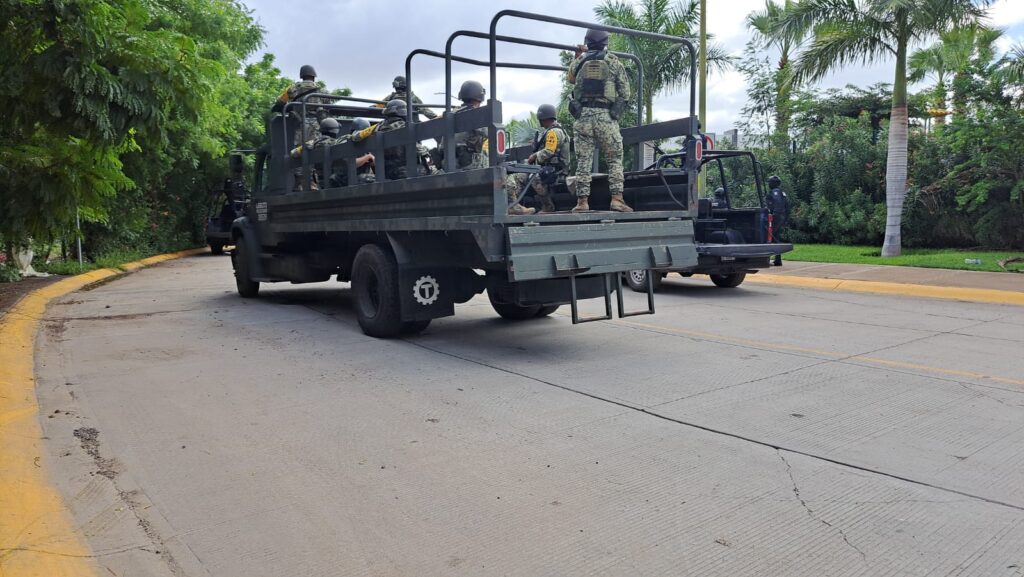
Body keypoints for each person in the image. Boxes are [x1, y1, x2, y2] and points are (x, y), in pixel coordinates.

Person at [567, 29, 632, 213]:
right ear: (606, 42)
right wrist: (615, 113)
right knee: (614, 159)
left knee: (583, 161)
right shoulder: (613, 62)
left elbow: (571, 78)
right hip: (605, 117)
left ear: (587, 42)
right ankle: (617, 200)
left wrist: (578, 55)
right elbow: (625, 92)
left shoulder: (579, 62)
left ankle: (582, 203)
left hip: (583, 116)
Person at [505, 103, 570, 215]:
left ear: (542, 118)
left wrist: (534, 156)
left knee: (535, 178)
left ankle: (547, 206)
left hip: (557, 171)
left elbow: (549, 151)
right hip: (548, 169)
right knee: (516, 178)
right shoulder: (550, 131)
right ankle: (514, 206)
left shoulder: (554, 132)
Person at [351, 99, 427, 180]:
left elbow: (355, 137)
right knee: (430, 170)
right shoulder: (404, 126)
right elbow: (420, 150)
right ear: (403, 112)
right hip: (404, 172)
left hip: (385, 172)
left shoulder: (377, 126)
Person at [291, 118, 374, 189]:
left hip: (321, 182)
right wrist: (367, 157)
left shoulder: (313, 143)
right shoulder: (337, 144)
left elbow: (293, 153)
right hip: (337, 180)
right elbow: (347, 163)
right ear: (335, 131)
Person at [438, 80, 489, 172]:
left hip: (446, 164)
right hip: (468, 165)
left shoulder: (451, 113)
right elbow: (488, 133)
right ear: (480, 97)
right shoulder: (475, 114)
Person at [765, 175, 790, 265]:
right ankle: (778, 260)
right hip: (781, 217)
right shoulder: (781, 192)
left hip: (776, 217)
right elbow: (787, 206)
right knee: (776, 237)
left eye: (770, 182)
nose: (768, 184)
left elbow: (777, 205)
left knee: (769, 236)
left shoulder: (775, 192)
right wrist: (786, 218)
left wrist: (774, 215)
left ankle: (766, 259)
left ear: (773, 183)